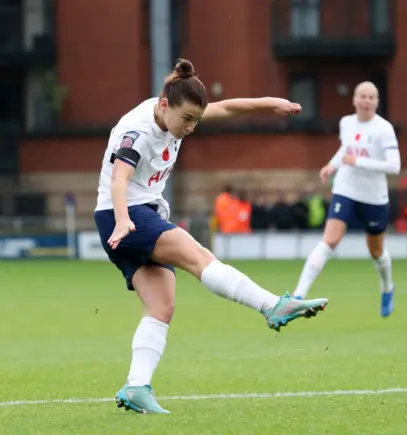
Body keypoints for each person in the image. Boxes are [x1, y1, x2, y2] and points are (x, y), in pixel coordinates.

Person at [94, 59, 329, 414]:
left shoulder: (178, 114)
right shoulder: (137, 131)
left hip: (134, 216)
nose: (190, 127)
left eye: (196, 121)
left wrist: (270, 103)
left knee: (161, 306)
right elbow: (118, 180)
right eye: (186, 119)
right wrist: (125, 220)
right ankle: (272, 305)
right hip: (124, 214)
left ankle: (136, 386)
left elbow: (228, 107)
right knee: (199, 256)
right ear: (163, 106)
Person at [291, 81, 401, 317]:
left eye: (372, 97)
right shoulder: (346, 123)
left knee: (376, 252)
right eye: (363, 96)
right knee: (329, 240)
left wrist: (358, 162)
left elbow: (394, 166)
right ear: (354, 99)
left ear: (377, 102)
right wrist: (332, 165)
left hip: (374, 198)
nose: (367, 101)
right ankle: (298, 295)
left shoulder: (384, 129)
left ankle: (387, 288)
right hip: (346, 190)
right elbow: (346, 149)